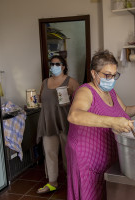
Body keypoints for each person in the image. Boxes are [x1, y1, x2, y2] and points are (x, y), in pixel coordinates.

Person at [66, 50, 135, 200]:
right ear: (94, 73)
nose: (111, 79)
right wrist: (112, 122)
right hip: (86, 158)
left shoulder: (111, 93)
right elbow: (74, 115)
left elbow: (124, 111)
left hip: (105, 156)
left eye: (114, 75)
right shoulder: (85, 91)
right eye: (107, 75)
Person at [36, 55, 79, 194]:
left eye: (57, 64)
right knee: (50, 153)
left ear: (63, 66)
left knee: (68, 154)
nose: (54, 66)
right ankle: (52, 182)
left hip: (65, 122)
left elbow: (81, 100)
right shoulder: (45, 82)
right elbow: (41, 98)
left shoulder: (71, 81)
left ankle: (71, 181)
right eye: (52, 64)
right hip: (48, 122)